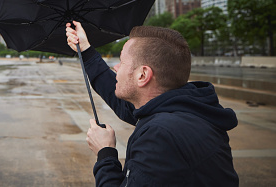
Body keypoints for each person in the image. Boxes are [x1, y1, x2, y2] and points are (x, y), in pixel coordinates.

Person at [66, 21, 239, 186]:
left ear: (142, 75)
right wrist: (86, 50)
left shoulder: (161, 136)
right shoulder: (182, 112)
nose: (116, 67)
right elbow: (122, 103)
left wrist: (105, 153)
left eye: (122, 61)